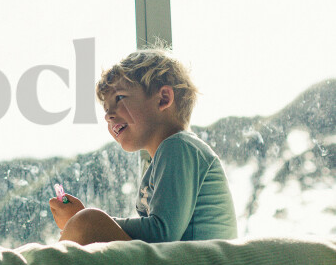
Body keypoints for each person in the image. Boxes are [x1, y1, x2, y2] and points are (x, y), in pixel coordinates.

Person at [49, 45, 237, 245]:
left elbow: (162, 233)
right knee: (84, 224)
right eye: (105, 108)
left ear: (163, 99)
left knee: (87, 222)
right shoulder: (166, 157)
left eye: (119, 98)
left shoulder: (179, 147)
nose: (107, 115)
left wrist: (89, 222)